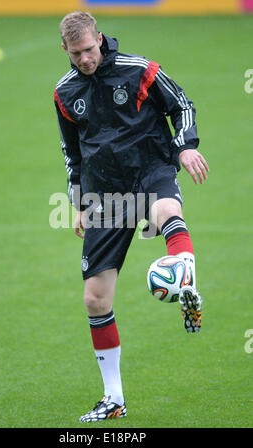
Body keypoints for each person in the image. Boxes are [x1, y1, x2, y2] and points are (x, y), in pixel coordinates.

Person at [54, 11, 209, 423]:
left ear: (99, 39)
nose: (85, 59)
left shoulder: (137, 69)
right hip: (105, 191)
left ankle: (185, 270)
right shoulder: (65, 92)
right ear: (65, 51)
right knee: (94, 299)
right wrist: (79, 199)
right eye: (76, 53)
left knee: (166, 211)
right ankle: (114, 399)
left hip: (150, 168)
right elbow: (72, 151)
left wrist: (186, 147)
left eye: (89, 49)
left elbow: (182, 105)